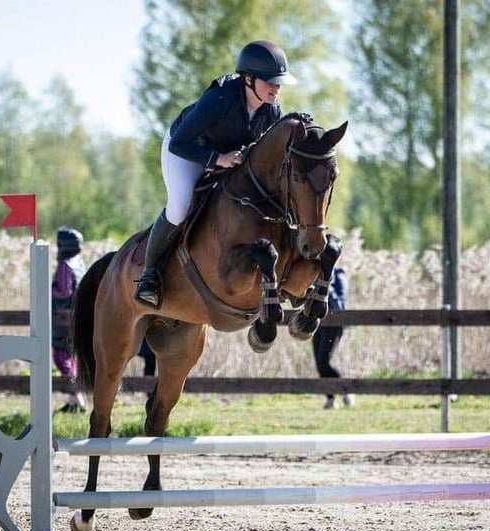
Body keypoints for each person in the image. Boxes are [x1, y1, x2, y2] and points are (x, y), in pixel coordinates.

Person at [135, 39, 297, 308]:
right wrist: (217, 159)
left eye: (278, 82)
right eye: (270, 81)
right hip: (187, 152)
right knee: (180, 207)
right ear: (248, 79)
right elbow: (180, 143)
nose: (276, 88)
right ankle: (149, 276)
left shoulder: (272, 112)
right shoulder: (220, 99)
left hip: (227, 157)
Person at [52, 226, 88, 413]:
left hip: (63, 320)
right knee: (71, 359)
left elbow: (65, 290)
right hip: (75, 319)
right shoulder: (78, 262)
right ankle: (74, 401)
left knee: (61, 358)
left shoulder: (65, 265)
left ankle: (79, 398)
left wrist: (47, 290)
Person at [312, 266, 354, 409]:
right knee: (319, 364)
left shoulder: (338, 274)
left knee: (324, 362)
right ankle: (330, 399)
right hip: (317, 323)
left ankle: (346, 390)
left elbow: (340, 299)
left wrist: (324, 287)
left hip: (334, 324)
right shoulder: (313, 272)